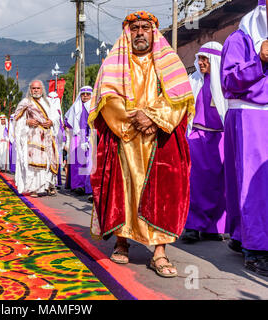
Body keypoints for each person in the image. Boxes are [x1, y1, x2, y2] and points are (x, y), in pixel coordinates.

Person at [88, 11, 195, 278]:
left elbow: (179, 98)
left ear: (153, 32)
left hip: (159, 138)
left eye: (145, 27)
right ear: (128, 32)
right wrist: (130, 121)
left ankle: (159, 251)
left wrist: (154, 118)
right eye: (134, 27)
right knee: (122, 191)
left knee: (161, 194)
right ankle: (122, 241)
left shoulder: (169, 61)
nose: (139, 32)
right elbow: (106, 99)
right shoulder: (114, 61)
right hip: (124, 139)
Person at [220, 0, 268, 277]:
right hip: (250, 114)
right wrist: (258, 60)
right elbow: (229, 80)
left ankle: (241, 236)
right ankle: (258, 250)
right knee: (255, 184)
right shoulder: (240, 38)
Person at [182, 42, 228, 243]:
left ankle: (213, 227)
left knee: (220, 185)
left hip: (221, 137)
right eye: (199, 59)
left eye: (204, 59)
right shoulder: (193, 80)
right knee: (196, 183)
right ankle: (192, 225)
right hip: (198, 138)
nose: (200, 63)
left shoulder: (225, 82)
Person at [13, 80, 59, 197]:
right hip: (32, 136)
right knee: (34, 162)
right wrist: (27, 121)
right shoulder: (25, 102)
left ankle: (48, 185)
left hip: (47, 135)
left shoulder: (48, 102)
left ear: (42, 89)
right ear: (30, 89)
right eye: (34, 88)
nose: (36, 90)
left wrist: (51, 121)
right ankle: (34, 188)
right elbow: (16, 119)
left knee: (48, 160)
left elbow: (56, 116)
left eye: (38, 88)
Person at [64, 86, 93, 197]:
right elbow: (67, 121)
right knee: (77, 162)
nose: (85, 96)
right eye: (83, 94)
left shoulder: (93, 106)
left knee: (89, 163)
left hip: (91, 136)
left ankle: (88, 186)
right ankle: (78, 186)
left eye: (87, 94)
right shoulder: (75, 107)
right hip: (77, 137)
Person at [48, 91, 66, 190]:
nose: (53, 101)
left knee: (56, 160)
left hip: (56, 141)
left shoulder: (59, 113)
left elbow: (61, 128)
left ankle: (55, 182)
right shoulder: (45, 111)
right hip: (47, 138)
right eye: (51, 99)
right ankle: (48, 182)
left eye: (55, 99)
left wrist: (63, 141)